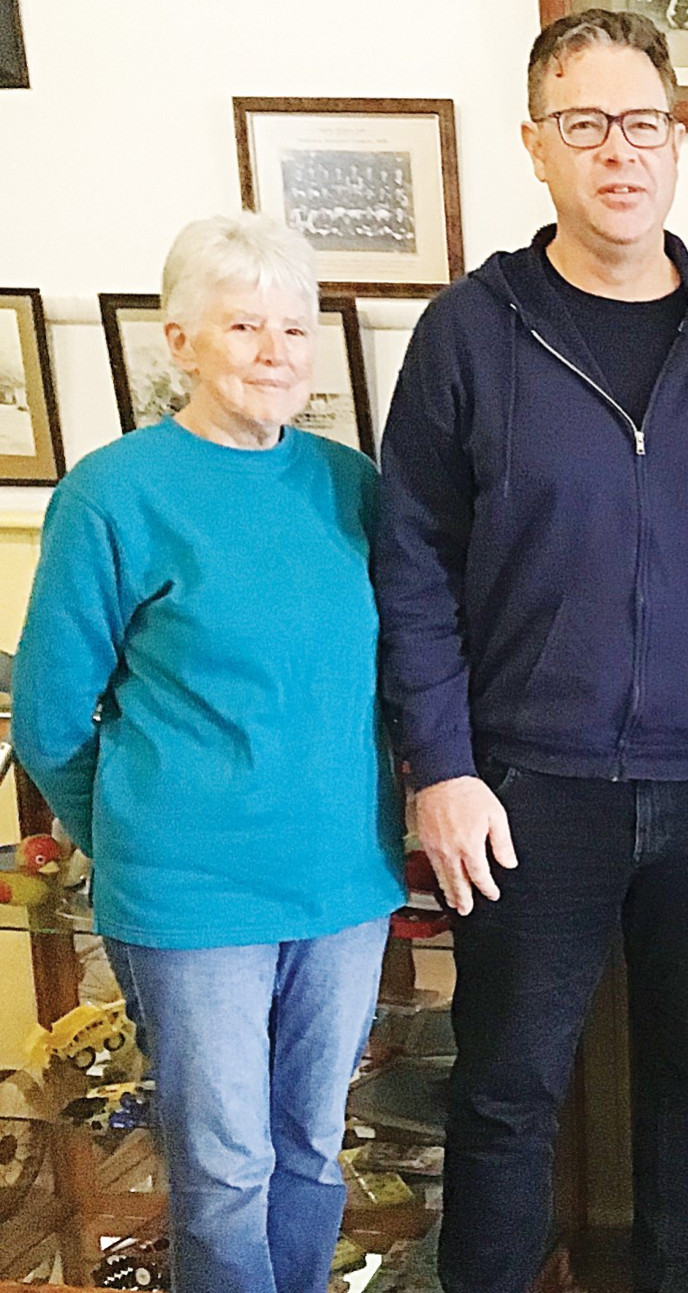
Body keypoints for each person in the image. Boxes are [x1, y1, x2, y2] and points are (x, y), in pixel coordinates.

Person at [372, 9, 688, 1293]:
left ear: (679, 143)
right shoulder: (470, 335)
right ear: (535, 146)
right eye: (584, 124)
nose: (617, 152)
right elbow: (410, 563)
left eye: (641, 124)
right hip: (526, 790)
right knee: (507, 1095)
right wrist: (440, 764)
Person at [14, 213, 403, 1293]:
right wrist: (136, 834)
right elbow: (49, 718)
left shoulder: (350, 485)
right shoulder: (115, 492)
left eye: (295, 326)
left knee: (313, 1146)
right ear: (178, 340)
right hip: (190, 897)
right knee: (226, 1169)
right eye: (246, 325)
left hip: (344, 883)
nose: (278, 351)